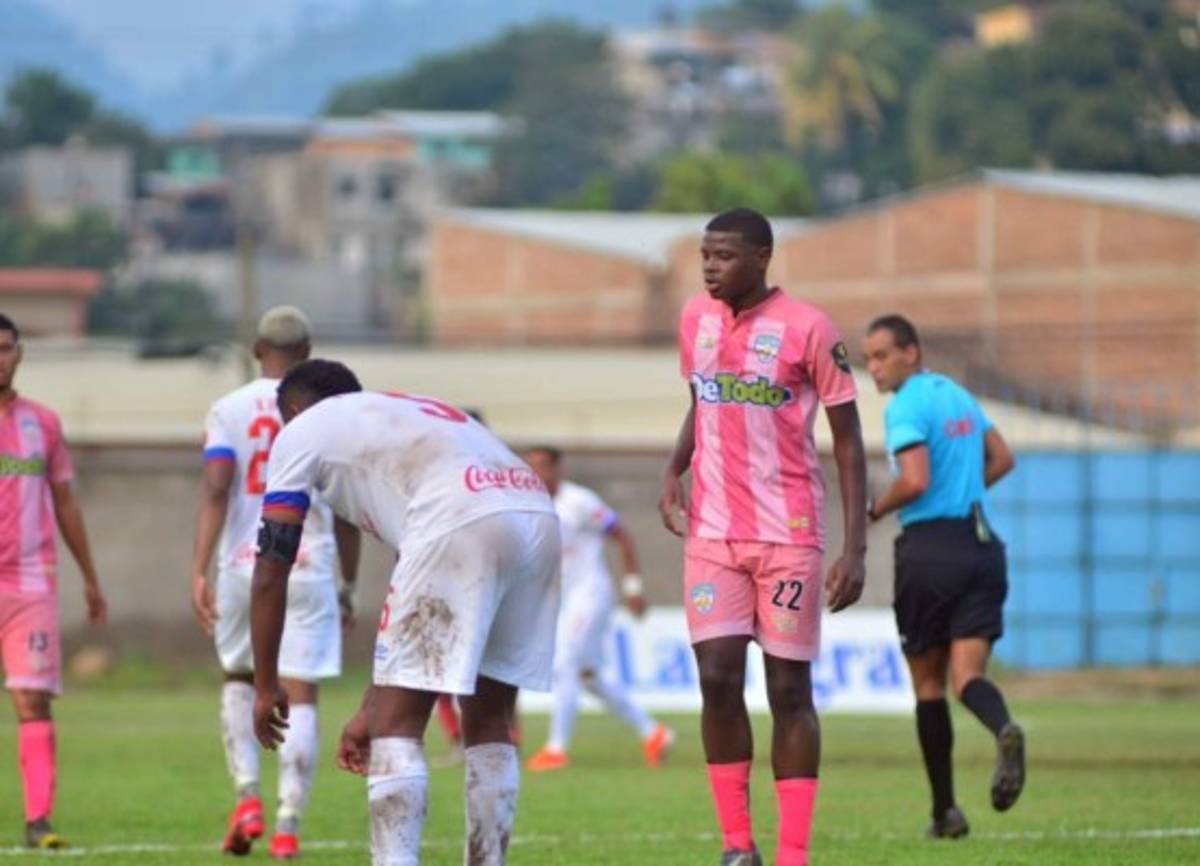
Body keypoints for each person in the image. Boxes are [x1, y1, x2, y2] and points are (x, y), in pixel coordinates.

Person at [249, 361, 560, 866]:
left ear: (295, 410)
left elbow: (271, 565)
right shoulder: (396, 413)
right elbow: (409, 584)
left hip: (457, 516)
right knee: (489, 717)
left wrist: (265, 684)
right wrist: (372, 699)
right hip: (534, 513)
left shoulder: (304, 428)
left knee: (398, 726)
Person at [658, 209, 868, 866]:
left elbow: (851, 440)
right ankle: (736, 846)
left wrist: (855, 546)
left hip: (788, 535)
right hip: (713, 534)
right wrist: (675, 467)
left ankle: (793, 854)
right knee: (717, 680)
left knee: (787, 691)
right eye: (704, 255)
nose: (710, 266)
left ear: (762, 257)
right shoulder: (696, 319)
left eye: (723, 255)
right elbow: (703, 398)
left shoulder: (809, 328)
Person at [190, 307, 360, 859]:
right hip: (310, 562)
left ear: (257, 348)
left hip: (243, 562)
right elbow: (346, 506)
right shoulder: (330, 406)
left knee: (240, 679)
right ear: (308, 353)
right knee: (302, 691)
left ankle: (247, 797)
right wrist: (348, 582)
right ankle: (288, 825)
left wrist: (199, 567)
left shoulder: (228, 408)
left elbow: (217, 487)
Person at [862, 314, 1024, 839]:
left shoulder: (906, 404)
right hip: (979, 545)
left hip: (930, 551)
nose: (873, 368)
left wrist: (875, 509)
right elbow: (1002, 458)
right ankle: (1003, 727)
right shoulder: (957, 396)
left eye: (881, 355)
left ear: (912, 351)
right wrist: (965, 492)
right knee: (968, 679)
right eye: (868, 358)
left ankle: (946, 813)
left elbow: (914, 479)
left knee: (928, 686)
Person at [0, 314, 107, 849]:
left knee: (32, 700)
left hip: (30, 584)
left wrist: (89, 576)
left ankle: (38, 821)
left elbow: (64, 501)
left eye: (4, 348)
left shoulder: (42, 424)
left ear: (19, 353)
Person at [523, 446, 675, 772]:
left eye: (542, 466)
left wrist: (633, 587)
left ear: (558, 468)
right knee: (587, 675)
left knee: (565, 663)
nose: (536, 473)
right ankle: (653, 732)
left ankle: (556, 749)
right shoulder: (527, 504)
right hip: (563, 599)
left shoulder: (580, 501)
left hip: (590, 594)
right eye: (530, 466)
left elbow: (622, 536)